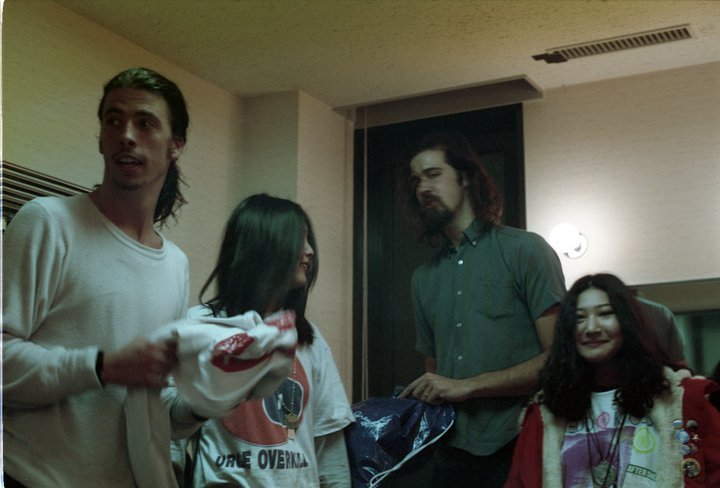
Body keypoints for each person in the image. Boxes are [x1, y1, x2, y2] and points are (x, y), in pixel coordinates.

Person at [2, 67, 200, 487]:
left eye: (145, 123)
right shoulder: (47, 222)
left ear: (176, 145)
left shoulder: (176, 264)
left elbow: (155, 404)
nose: (126, 135)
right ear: (100, 139)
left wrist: (210, 400)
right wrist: (101, 366)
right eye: (113, 120)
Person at [398, 131, 566, 487]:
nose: (423, 188)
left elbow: (560, 359)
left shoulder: (526, 251)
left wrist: (467, 387)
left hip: (520, 443)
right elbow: (434, 377)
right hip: (449, 454)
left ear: (465, 177)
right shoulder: (423, 279)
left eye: (433, 174)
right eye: (416, 180)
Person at [187, 193, 354, 487]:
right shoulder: (200, 326)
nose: (310, 251)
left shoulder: (310, 339)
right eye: (300, 239)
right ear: (266, 245)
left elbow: (329, 450)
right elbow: (170, 441)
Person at [506, 273, 720, 487]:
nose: (591, 328)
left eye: (605, 313)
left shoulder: (681, 399)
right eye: (579, 318)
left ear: (628, 322)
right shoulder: (546, 411)